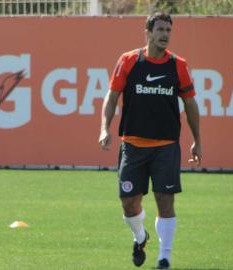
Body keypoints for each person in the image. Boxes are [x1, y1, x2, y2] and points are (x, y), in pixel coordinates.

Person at [98, 12, 202, 269]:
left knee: (165, 201)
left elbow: (190, 104)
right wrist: (104, 128)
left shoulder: (179, 65)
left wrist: (197, 140)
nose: (165, 34)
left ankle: (164, 257)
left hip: (166, 147)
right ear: (148, 32)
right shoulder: (129, 61)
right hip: (132, 145)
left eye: (168, 30)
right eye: (160, 30)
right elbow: (111, 98)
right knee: (128, 202)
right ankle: (140, 236)